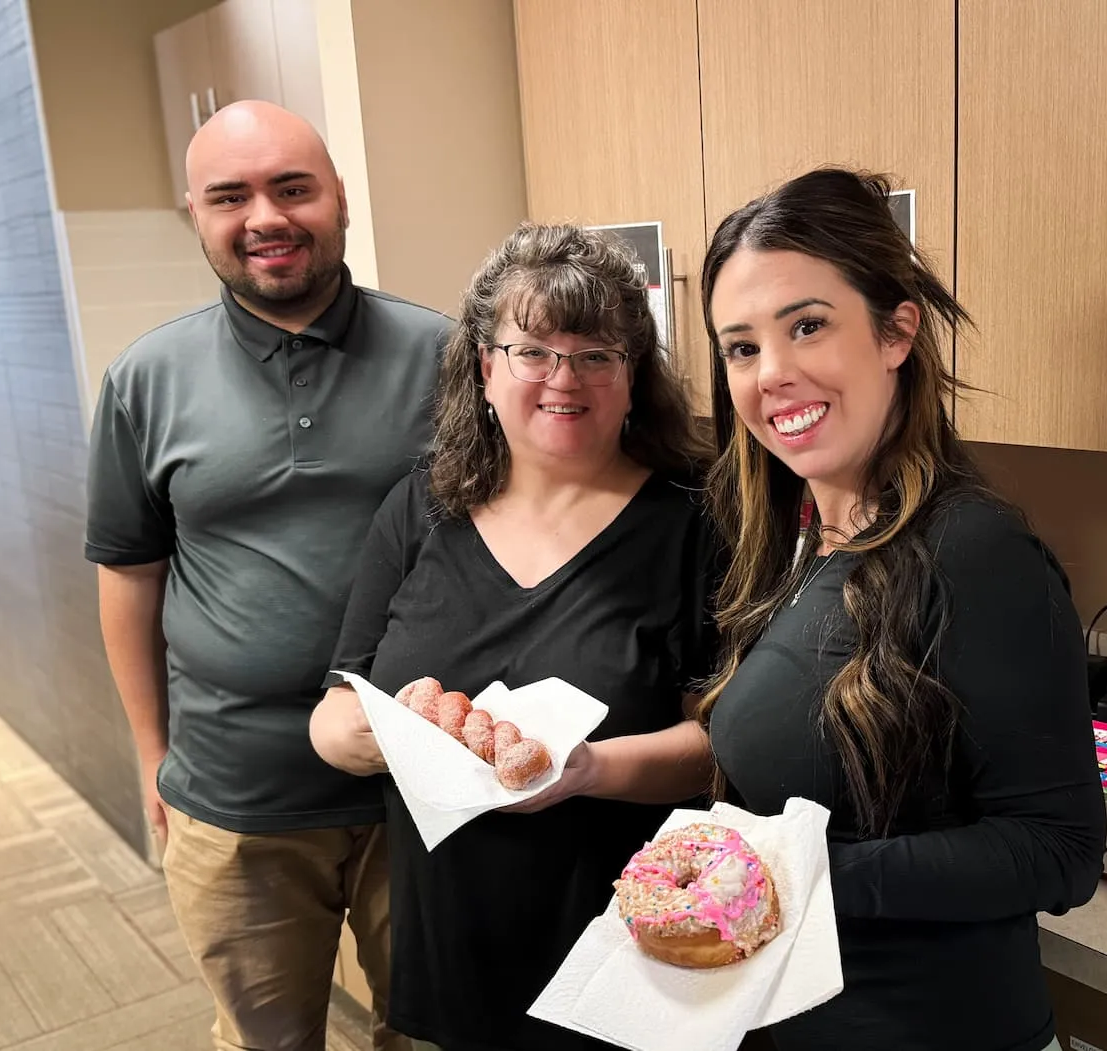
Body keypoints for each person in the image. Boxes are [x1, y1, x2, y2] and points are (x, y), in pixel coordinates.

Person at [697, 167, 1106, 1051]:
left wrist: (806, 876)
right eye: (741, 347)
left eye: (808, 325)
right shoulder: (802, 535)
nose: (773, 373)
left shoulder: (975, 554)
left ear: (896, 331)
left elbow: (1059, 849)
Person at [84, 100, 449, 1051]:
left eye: (293, 188)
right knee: (266, 1038)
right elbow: (129, 575)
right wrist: (149, 752)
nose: (266, 217)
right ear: (196, 217)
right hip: (234, 793)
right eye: (229, 196)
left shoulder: (448, 359)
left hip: (420, 785)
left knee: (435, 1028)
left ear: (338, 199)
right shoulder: (144, 380)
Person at [309, 222, 720, 1051]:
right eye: (533, 350)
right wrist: (371, 734)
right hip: (449, 945)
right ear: (486, 369)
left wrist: (585, 770)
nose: (563, 377)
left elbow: (721, 748)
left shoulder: (696, 521)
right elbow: (335, 706)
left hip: (625, 946)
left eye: (597, 353)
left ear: (633, 377)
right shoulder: (419, 509)